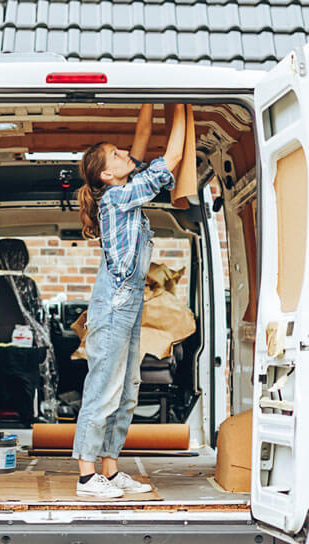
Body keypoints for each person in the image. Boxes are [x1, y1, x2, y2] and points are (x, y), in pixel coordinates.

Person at [73, 103, 187, 498]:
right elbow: (169, 159)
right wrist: (184, 106)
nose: (127, 155)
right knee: (104, 386)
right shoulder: (117, 199)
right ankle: (88, 477)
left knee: (128, 388)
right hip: (115, 303)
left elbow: (141, 137)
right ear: (107, 174)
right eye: (118, 156)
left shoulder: (121, 185)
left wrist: (152, 100)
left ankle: (110, 468)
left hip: (129, 302)